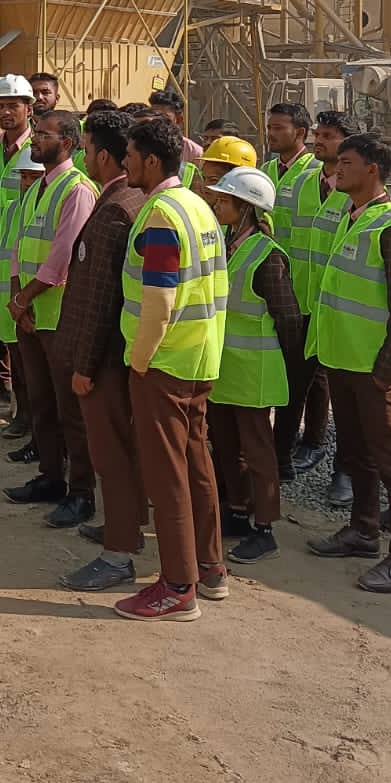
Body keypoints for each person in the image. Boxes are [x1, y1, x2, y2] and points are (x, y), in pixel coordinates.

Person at [113, 117, 227, 623]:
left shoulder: (161, 215)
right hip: (199, 356)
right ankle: (210, 567)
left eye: (130, 156)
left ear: (152, 160)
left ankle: (178, 587)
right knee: (196, 464)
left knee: (167, 475)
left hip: (164, 361)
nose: (125, 164)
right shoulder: (198, 205)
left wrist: (139, 361)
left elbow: (159, 302)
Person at [306, 134, 391, 593]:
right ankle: (363, 530)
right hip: (343, 362)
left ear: (373, 169)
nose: (337, 169)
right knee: (355, 453)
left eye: (347, 163)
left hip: (375, 371)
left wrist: (385, 373)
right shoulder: (352, 217)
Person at [57, 110, 148, 592]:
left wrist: (85, 365)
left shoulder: (116, 209)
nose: (82, 157)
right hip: (118, 353)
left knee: (110, 453)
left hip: (106, 358)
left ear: (105, 156)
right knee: (120, 450)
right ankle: (124, 526)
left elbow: (100, 298)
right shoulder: (127, 199)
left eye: (87, 149)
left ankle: (118, 553)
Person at [205, 167, 303, 565]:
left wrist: (288, 365)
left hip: (254, 372)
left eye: (224, 200)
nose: (217, 204)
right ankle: (238, 511)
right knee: (228, 446)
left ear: (245, 207)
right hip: (226, 368)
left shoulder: (267, 255)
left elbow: (289, 318)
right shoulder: (229, 244)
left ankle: (265, 528)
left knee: (258, 451)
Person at [4, 111, 97, 517]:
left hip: (59, 316)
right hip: (30, 313)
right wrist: (16, 296)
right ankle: (50, 476)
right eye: (36, 133)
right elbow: (18, 245)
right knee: (40, 400)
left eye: (43, 135)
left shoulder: (77, 190)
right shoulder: (36, 188)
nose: (34, 140)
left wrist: (24, 298)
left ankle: (81, 491)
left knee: (69, 409)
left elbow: (62, 257)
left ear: (68, 143)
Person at [276, 109, 361, 495]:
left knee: (342, 396)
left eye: (328, 136)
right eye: (319, 135)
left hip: (338, 311)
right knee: (293, 384)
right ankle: (282, 456)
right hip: (300, 302)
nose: (318, 142)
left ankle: (340, 466)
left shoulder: (354, 193)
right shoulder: (303, 181)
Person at [0, 74, 36, 434]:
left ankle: (30, 415)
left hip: (29, 256)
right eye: (1, 105)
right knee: (8, 336)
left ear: (28, 109)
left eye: (13, 105)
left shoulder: (39, 148)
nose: (6, 111)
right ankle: (19, 409)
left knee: (28, 340)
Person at [262, 102, 319, 244]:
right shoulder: (265, 170)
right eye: (269, 128)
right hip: (269, 255)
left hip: (299, 256)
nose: (270, 134)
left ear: (300, 133)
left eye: (278, 128)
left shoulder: (316, 170)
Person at [148, 89, 204, 185]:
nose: (157, 123)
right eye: (153, 117)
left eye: (164, 118)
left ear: (178, 119)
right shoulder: (140, 147)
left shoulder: (195, 153)